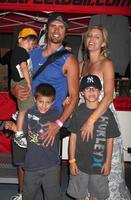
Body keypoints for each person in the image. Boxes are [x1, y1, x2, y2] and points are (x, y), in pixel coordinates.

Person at [10, 12, 79, 200]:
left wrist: (58, 123)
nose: (57, 30)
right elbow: (16, 78)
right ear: (47, 29)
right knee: (23, 159)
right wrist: (15, 90)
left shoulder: (69, 60)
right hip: (28, 115)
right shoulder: (31, 53)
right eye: (53, 26)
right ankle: (22, 193)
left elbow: (74, 97)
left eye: (61, 27)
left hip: (51, 119)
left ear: (65, 32)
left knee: (50, 163)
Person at [79, 26, 131, 199]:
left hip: (102, 121)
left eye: (97, 37)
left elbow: (108, 96)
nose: (92, 39)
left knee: (103, 164)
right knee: (87, 163)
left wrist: (91, 120)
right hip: (85, 119)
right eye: (89, 36)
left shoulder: (106, 63)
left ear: (103, 43)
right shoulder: (82, 65)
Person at [67, 75, 121, 200]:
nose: (91, 91)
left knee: (95, 196)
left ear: (100, 92)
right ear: (82, 93)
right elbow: (73, 138)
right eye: (87, 89)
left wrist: (108, 162)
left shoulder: (107, 113)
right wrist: (71, 161)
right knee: (78, 194)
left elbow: (110, 139)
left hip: (99, 165)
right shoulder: (78, 112)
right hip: (79, 164)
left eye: (94, 88)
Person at [21, 83, 62, 200]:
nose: (44, 106)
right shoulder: (28, 114)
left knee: (53, 197)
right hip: (31, 165)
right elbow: (21, 131)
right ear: (35, 99)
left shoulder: (57, 114)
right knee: (27, 196)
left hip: (51, 165)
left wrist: (68, 108)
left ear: (53, 102)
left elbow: (68, 124)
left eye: (47, 102)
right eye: (40, 102)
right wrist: (13, 126)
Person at [10, 27, 38, 148]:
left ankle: (18, 114)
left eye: (32, 44)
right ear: (20, 40)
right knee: (26, 109)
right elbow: (24, 68)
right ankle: (19, 134)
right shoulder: (21, 51)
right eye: (28, 42)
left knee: (26, 108)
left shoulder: (18, 51)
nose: (30, 46)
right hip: (22, 82)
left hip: (18, 82)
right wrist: (29, 82)